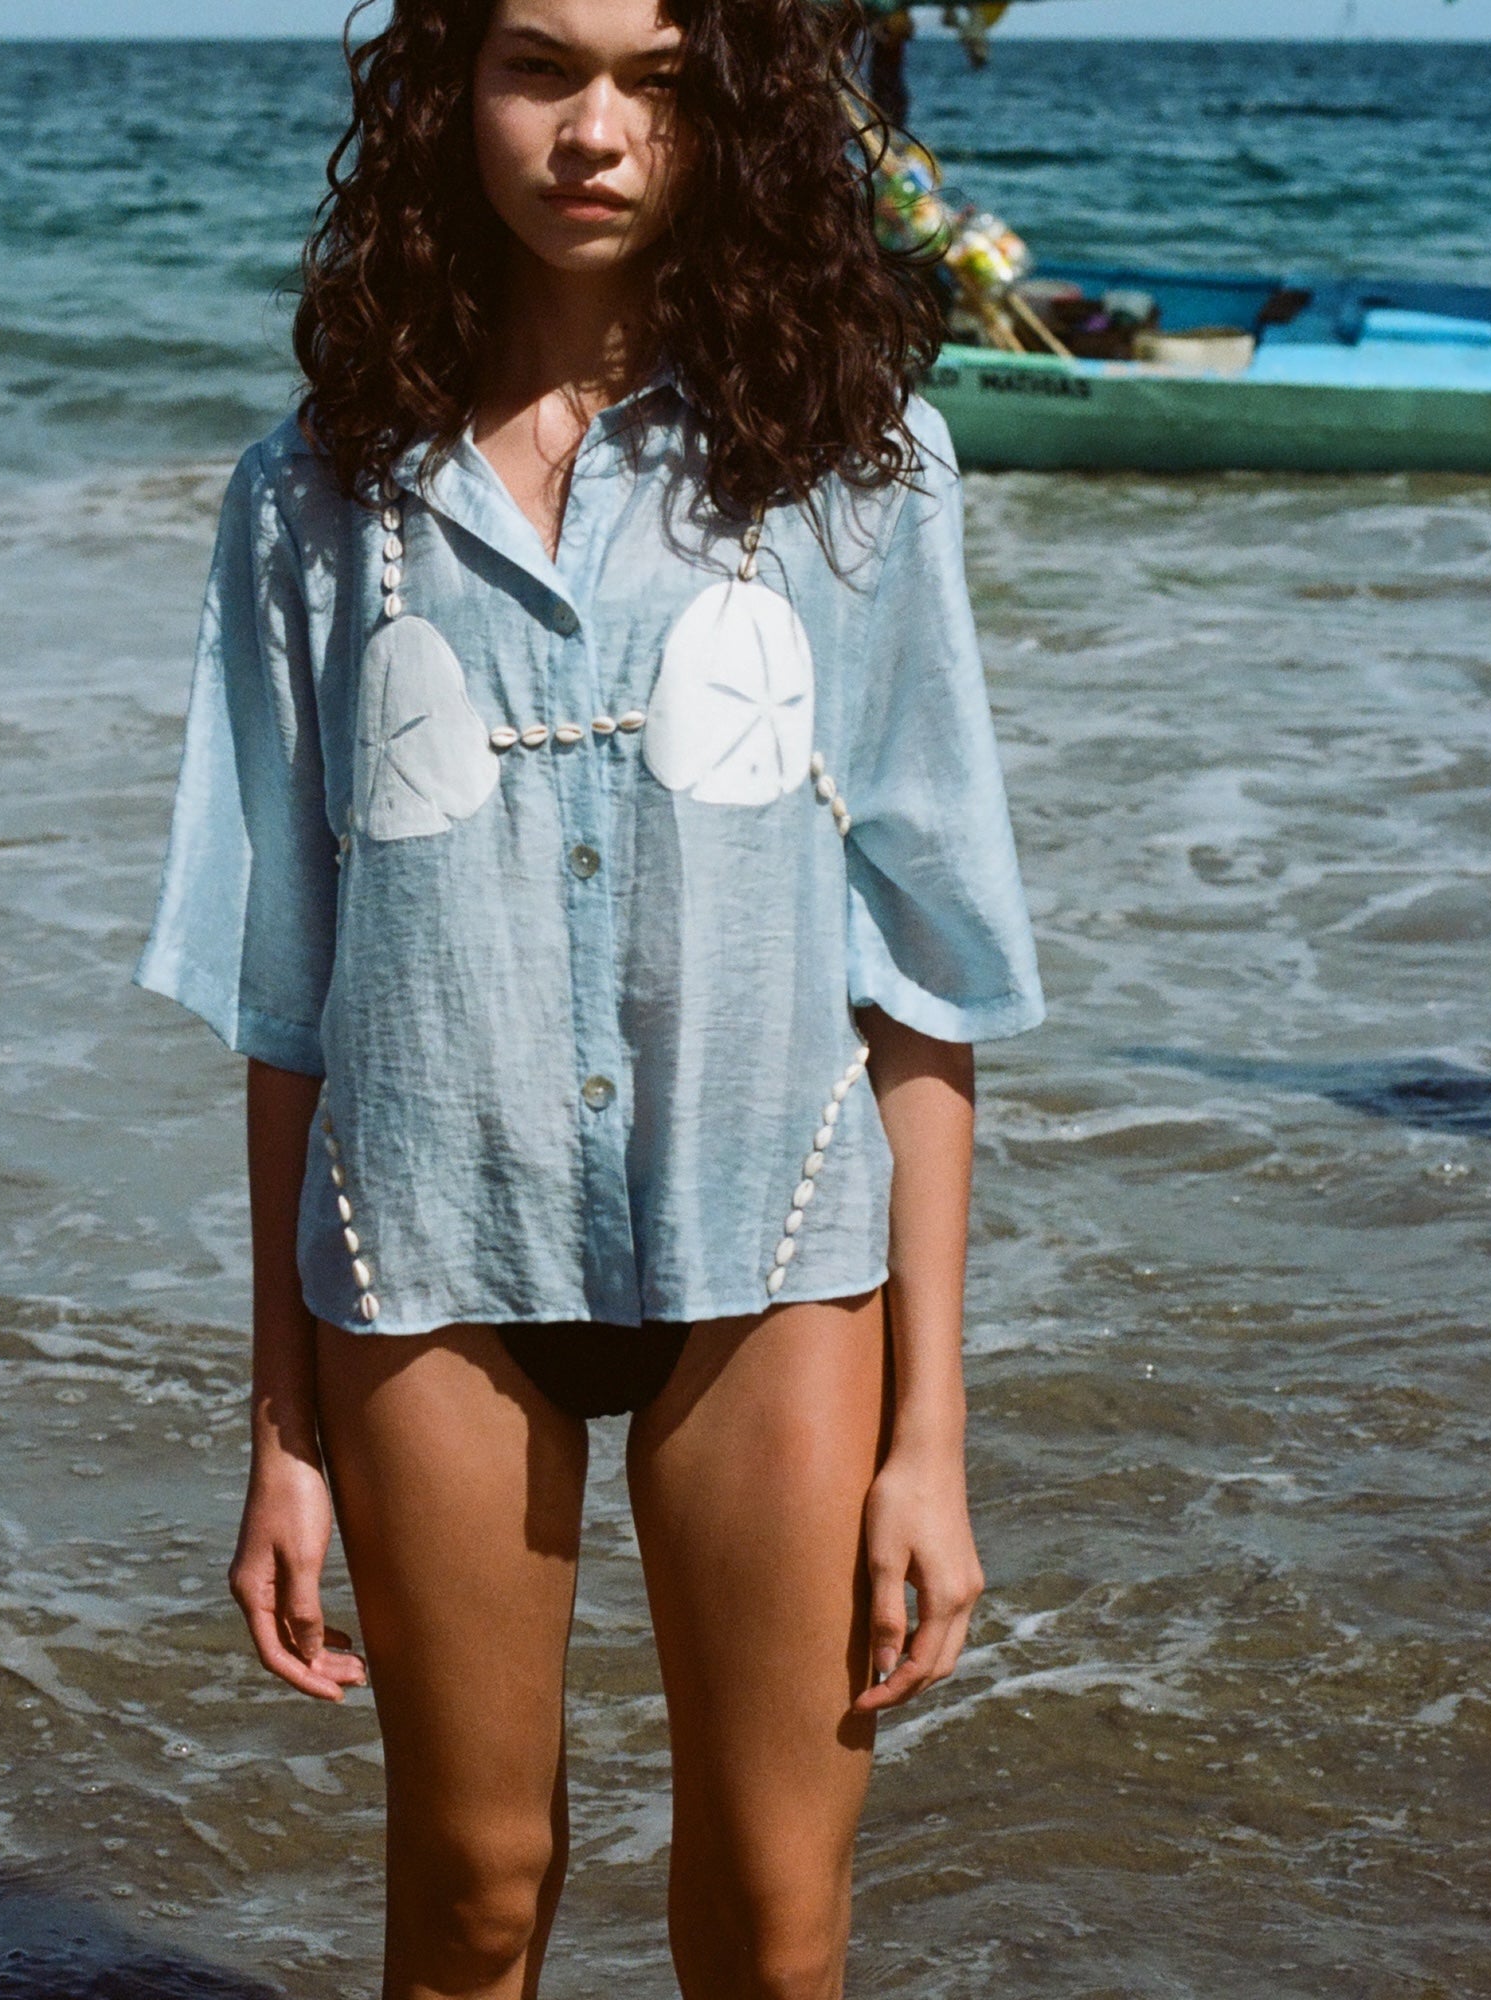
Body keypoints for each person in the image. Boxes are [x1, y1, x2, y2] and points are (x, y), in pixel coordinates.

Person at [136, 0, 1044, 1993]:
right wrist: (279, 1427)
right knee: (469, 1891)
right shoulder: (314, 499)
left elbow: (921, 974)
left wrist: (931, 1445)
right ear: (448, 91)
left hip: (775, 1255)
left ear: (726, 109)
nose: (595, 131)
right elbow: (285, 995)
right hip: (425, 1263)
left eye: (654, 80)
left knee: (774, 1923)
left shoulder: (857, 474)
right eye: (540, 67)